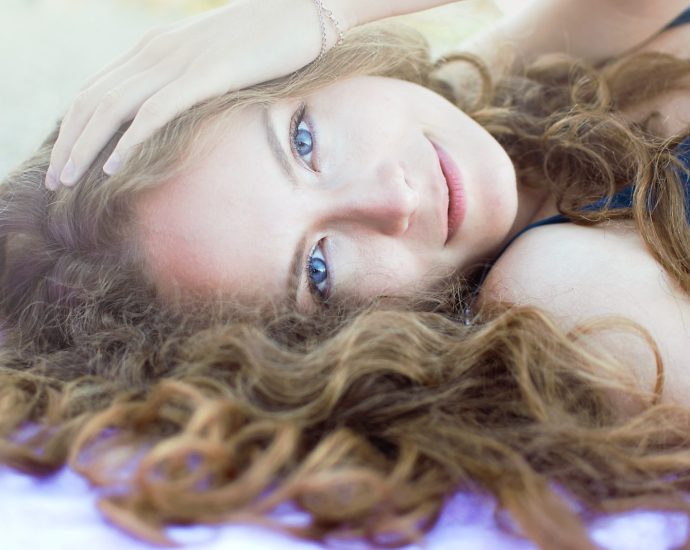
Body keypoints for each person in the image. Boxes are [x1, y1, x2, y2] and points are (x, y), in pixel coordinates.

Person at [1, 1, 690, 548]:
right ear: (327, 351)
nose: (391, 198)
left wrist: (314, 11)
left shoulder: (501, 101)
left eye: (303, 141)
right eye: (320, 268)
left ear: (310, 73)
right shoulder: (563, 291)